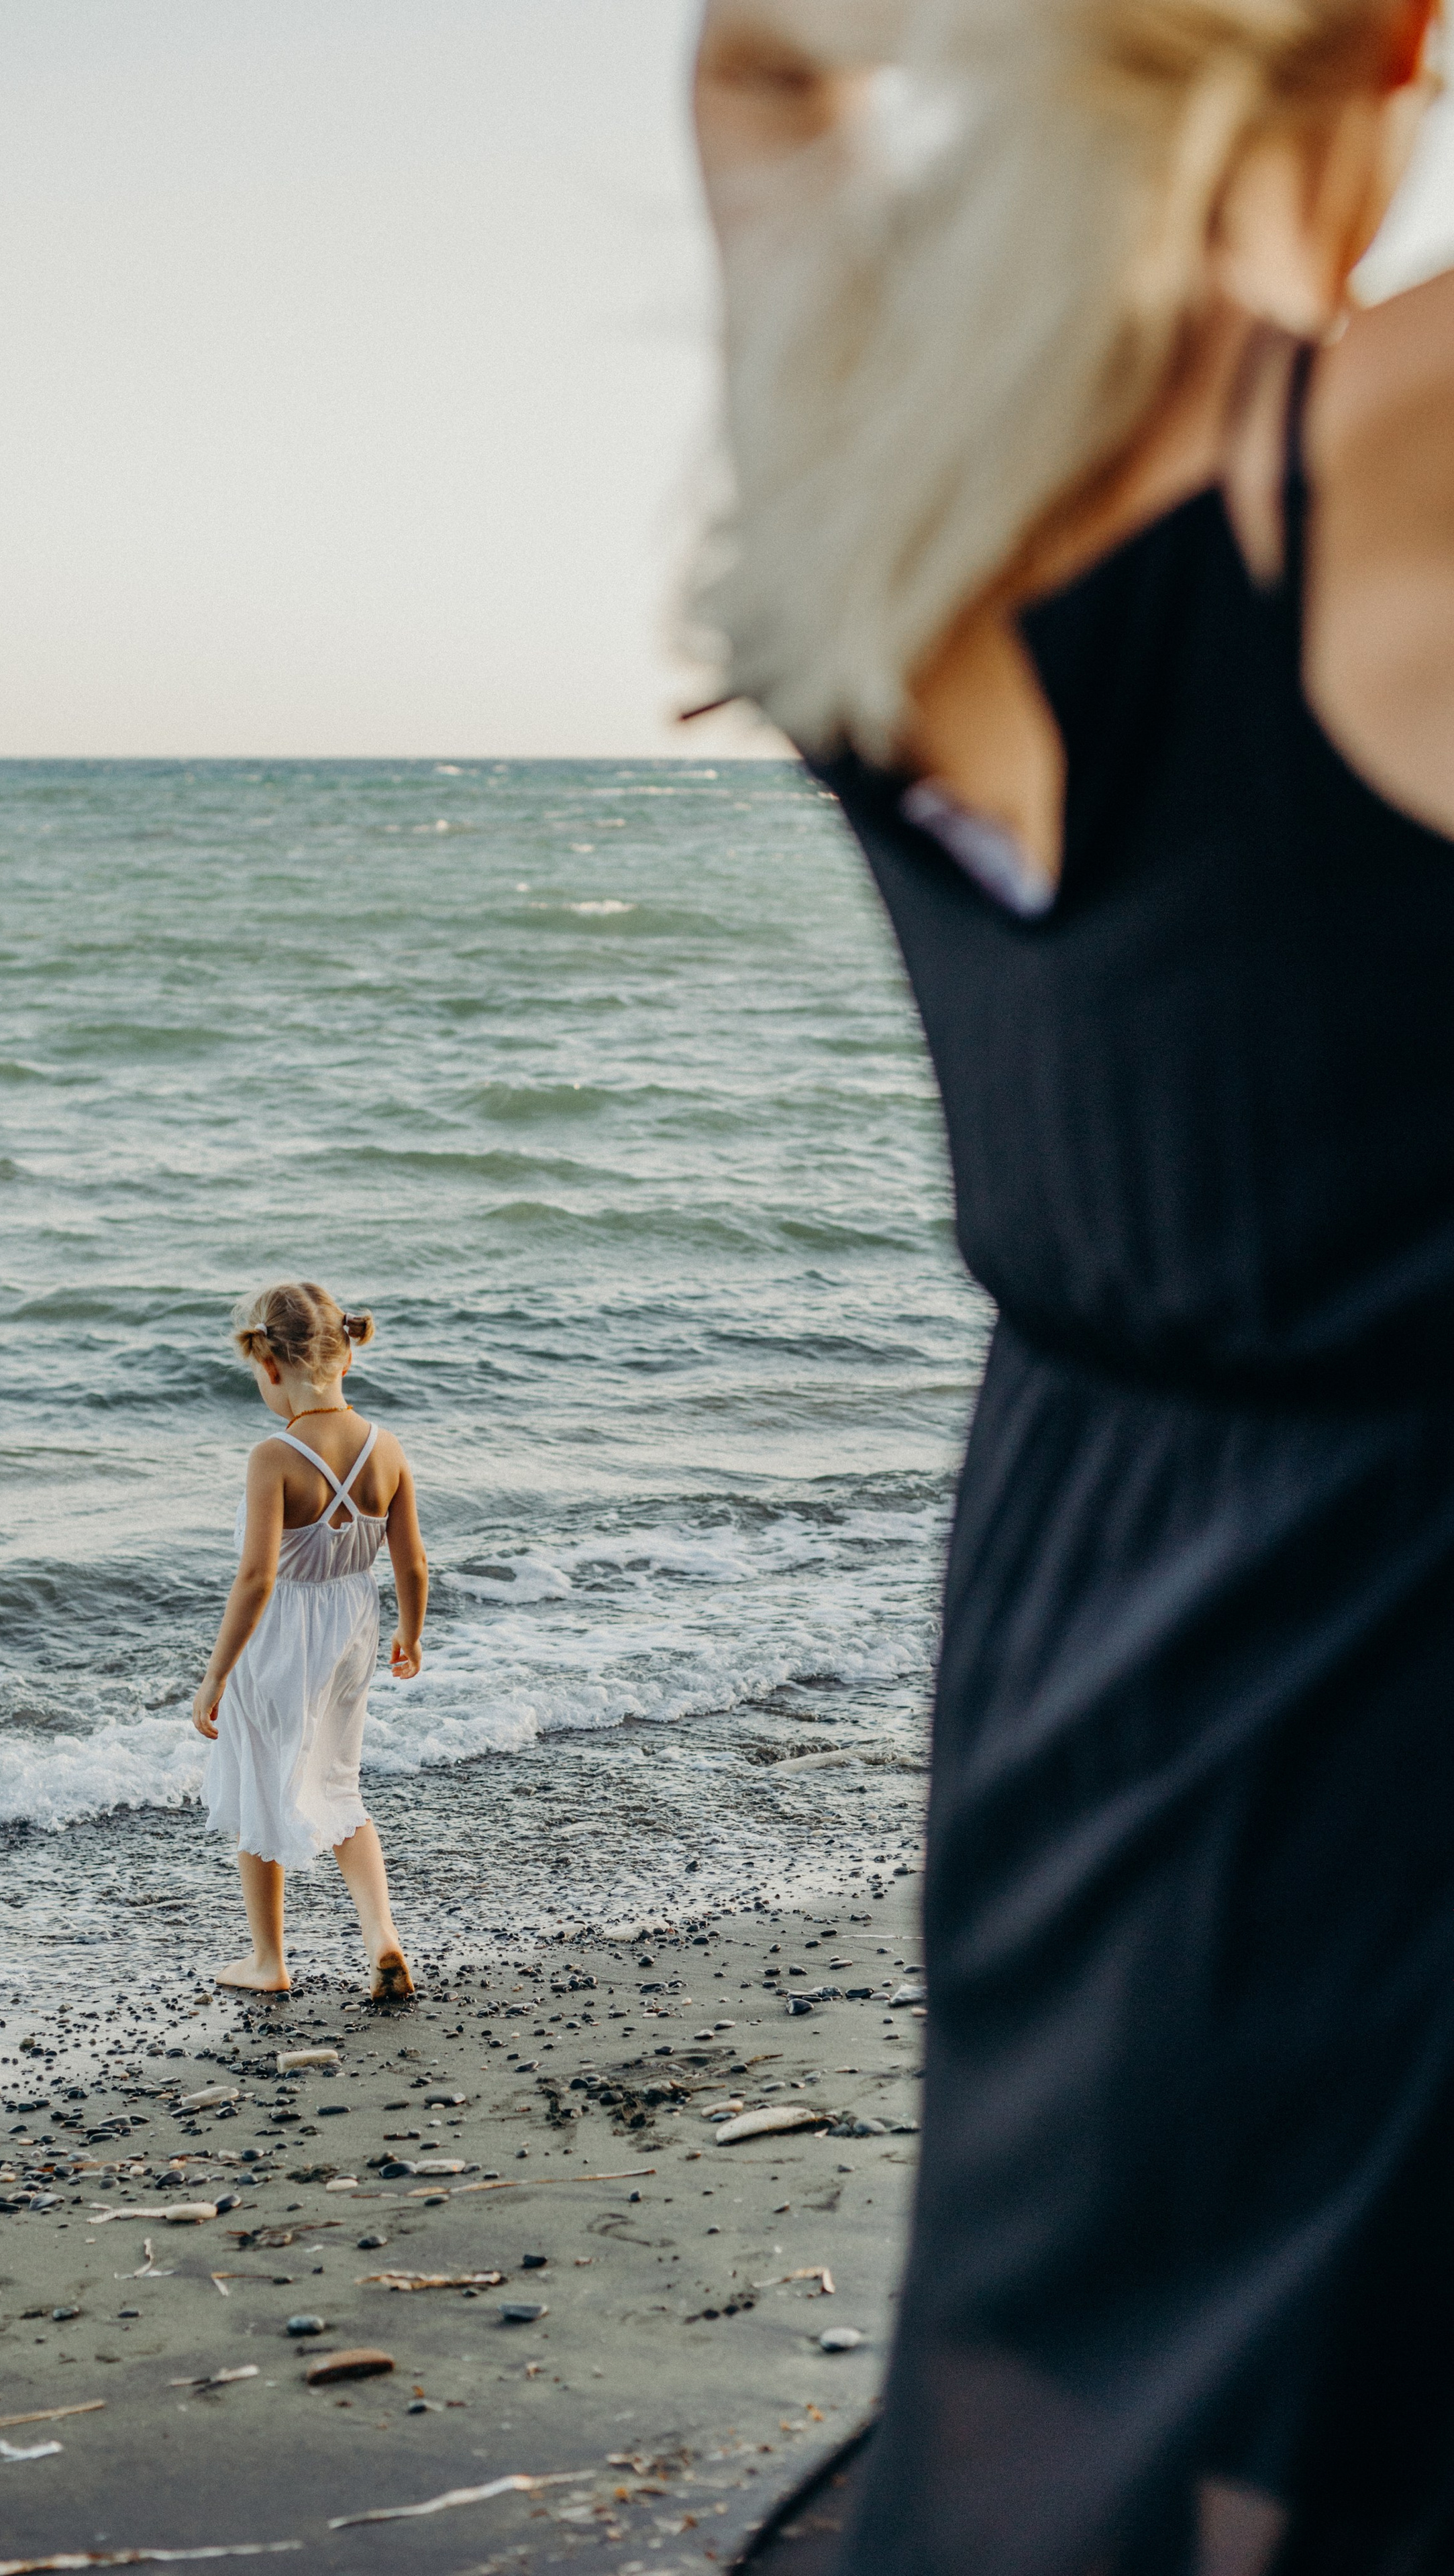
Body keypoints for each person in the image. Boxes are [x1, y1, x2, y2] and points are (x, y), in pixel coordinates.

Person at [692, 1, 1454, 2569]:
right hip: (1389, 1644)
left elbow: (755, 70)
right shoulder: (1365, 452)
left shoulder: (871, 477)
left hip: (1083, 1626)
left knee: (1125, 2380)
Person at [192, 1279, 427, 2002]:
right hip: (353, 1634)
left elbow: (257, 1579)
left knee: (264, 1786)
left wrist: (215, 1675)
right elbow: (411, 1563)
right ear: (345, 1356)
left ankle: (269, 1960)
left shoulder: (274, 1456)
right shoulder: (383, 1449)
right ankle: (381, 1937)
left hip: (277, 1645)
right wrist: (409, 1637)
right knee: (336, 1784)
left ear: (268, 1366)